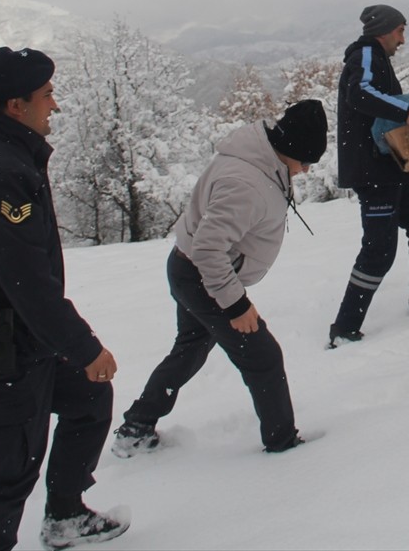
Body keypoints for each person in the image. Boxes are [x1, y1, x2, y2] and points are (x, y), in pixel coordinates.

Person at [0, 47, 128, 551]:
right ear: (16, 105)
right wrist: (86, 348)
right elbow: (27, 282)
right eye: (46, 96)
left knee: (88, 399)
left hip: (21, 336)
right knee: (9, 470)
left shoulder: (0, 149)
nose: (55, 105)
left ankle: (65, 517)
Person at [112, 99, 328, 457]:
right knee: (264, 357)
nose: (305, 171)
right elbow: (209, 250)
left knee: (189, 350)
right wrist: (236, 304)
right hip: (205, 276)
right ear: (289, 149)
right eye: (305, 161)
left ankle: (137, 426)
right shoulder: (245, 183)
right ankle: (283, 443)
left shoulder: (260, 157)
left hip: (193, 272)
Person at [328, 5, 409, 349]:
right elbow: (360, 93)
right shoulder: (365, 53)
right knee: (378, 249)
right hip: (371, 169)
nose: (403, 40)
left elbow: (381, 107)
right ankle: (344, 329)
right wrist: (407, 112)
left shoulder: (376, 56)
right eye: (400, 32)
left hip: (389, 165)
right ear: (383, 30)